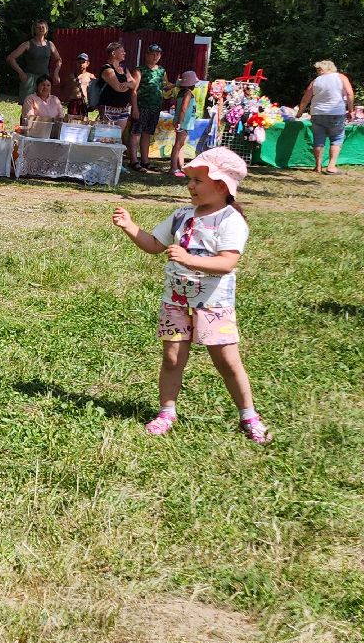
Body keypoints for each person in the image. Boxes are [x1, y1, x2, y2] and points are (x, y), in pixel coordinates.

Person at [111, 147, 270, 443]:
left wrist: (189, 259)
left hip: (214, 306)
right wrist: (130, 227)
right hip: (176, 302)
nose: (190, 186)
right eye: (190, 179)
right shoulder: (181, 215)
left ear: (222, 186)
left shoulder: (230, 220)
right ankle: (166, 412)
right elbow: (154, 245)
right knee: (172, 358)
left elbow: (226, 263)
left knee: (227, 361)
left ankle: (248, 415)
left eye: (197, 180)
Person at [297, 60, 355, 174]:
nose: (318, 71)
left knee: (318, 139)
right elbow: (349, 93)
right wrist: (351, 110)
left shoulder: (315, 81)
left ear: (324, 69)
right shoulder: (341, 77)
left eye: (319, 69)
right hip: (336, 112)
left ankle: (318, 166)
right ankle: (331, 166)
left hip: (317, 112)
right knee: (337, 138)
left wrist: (299, 112)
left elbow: (306, 98)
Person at [130, 43, 169, 171]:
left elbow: (165, 86)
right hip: (142, 105)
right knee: (136, 133)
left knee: (147, 133)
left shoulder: (162, 70)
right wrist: (135, 108)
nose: (155, 57)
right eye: (152, 54)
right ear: (146, 55)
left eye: (157, 54)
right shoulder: (139, 70)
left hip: (155, 106)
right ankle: (134, 160)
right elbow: (134, 90)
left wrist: (178, 84)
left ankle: (145, 161)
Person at [97, 42, 137, 156]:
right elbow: (118, 88)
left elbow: (134, 84)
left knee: (118, 135)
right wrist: (126, 84)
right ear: (114, 53)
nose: (125, 53)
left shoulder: (123, 68)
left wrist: (127, 84)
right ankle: (103, 158)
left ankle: (115, 159)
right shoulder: (107, 69)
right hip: (109, 107)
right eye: (122, 51)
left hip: (123, 107)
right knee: (107, 136)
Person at [6, 20, 62, 100]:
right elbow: (10, 58)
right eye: (38, 27)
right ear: (34, 30)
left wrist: (56, 73)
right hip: (30, 79)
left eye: (43, 27)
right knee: (28, 104)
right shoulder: (27, 44)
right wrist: (21, 72)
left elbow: (58, 60)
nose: (41, 29)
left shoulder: (50, 45)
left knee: (44, 104)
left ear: (46, 29)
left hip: (44, 79)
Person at [168, 71, 201, 177]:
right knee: (178, 145)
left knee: (181, 144)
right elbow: (183, 108)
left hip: (185, 122)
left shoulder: (181, 93)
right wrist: (180, 122)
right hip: (184, 122)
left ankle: (180, 166)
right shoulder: (187, 93)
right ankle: (173, 168)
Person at [66, 53, 95, 119]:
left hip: (83, 103)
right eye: (79, 62)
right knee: (71, 121)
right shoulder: (71, 76)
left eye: (83, 62)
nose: (81, 64)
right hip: (73, 102)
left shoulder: (90, 76)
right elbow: (65, 89)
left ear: (87, 64)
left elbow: (95, 90)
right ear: (76, 63)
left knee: (83, 121)